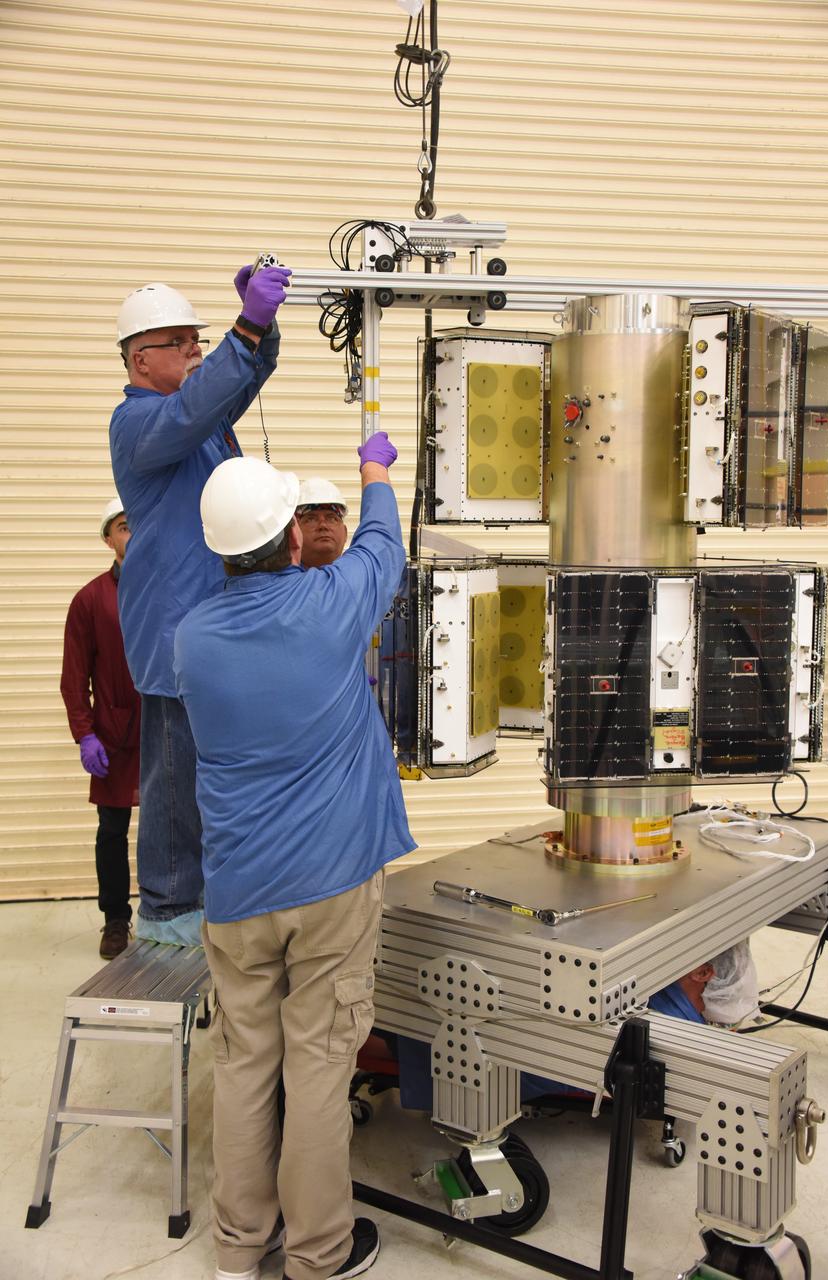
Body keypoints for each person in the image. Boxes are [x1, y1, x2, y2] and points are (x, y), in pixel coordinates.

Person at [173, 434, 415, 1280]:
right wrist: (376, 471)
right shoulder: (330, 604)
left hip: (236, 892)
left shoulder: (192, 639)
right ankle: (318, 1254)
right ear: (290, 541)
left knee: (244, 1064)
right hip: (331, 885)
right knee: (317, 1064)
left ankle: (239, 1248)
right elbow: (386, 546)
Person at [109, 263, 291, 945]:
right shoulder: (140, 422)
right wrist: (243, 328)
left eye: (199, 338)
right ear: (140, 357)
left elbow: (232, 380)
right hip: (172, 627)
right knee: (173, 773)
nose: (195, 350)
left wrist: (261, 332)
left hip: (214, 625)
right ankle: (165, 907)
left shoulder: (195, 416)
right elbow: (200, 400)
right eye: (181, 341)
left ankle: (215, 892)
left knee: (214, 767)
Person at [60, 497, 141, 959]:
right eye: (125, 527)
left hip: (164, 730)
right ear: (109, 539)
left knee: (170, 829)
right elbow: (74, 677)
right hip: (113, 735)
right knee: (112, 829)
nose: (134, 534)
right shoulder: (90, 600)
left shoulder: (166, 589)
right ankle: (115, 920)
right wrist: (85, 733)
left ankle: (166, 911)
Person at [296, 477, 348, 568]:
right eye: (311, 519)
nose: (323, 525)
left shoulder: (363, 578)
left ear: (345, 533)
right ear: (294, 533)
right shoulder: (277, 580)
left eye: (332, 519)